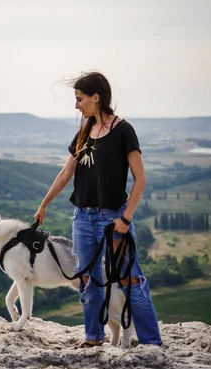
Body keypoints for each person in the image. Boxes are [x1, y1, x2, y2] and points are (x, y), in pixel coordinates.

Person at [34, 71, 162, 348]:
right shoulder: (83, 132)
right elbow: (67, 172)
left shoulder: (123, 131)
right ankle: (93, 337)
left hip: (112, 218)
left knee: (130, 279)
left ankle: (152, 342)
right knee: (86, 280)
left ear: (96, 97)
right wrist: (44, 204)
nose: (76, 105)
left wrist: (126, 218)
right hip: (82, 217)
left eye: (79, 99)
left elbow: (141, 179)